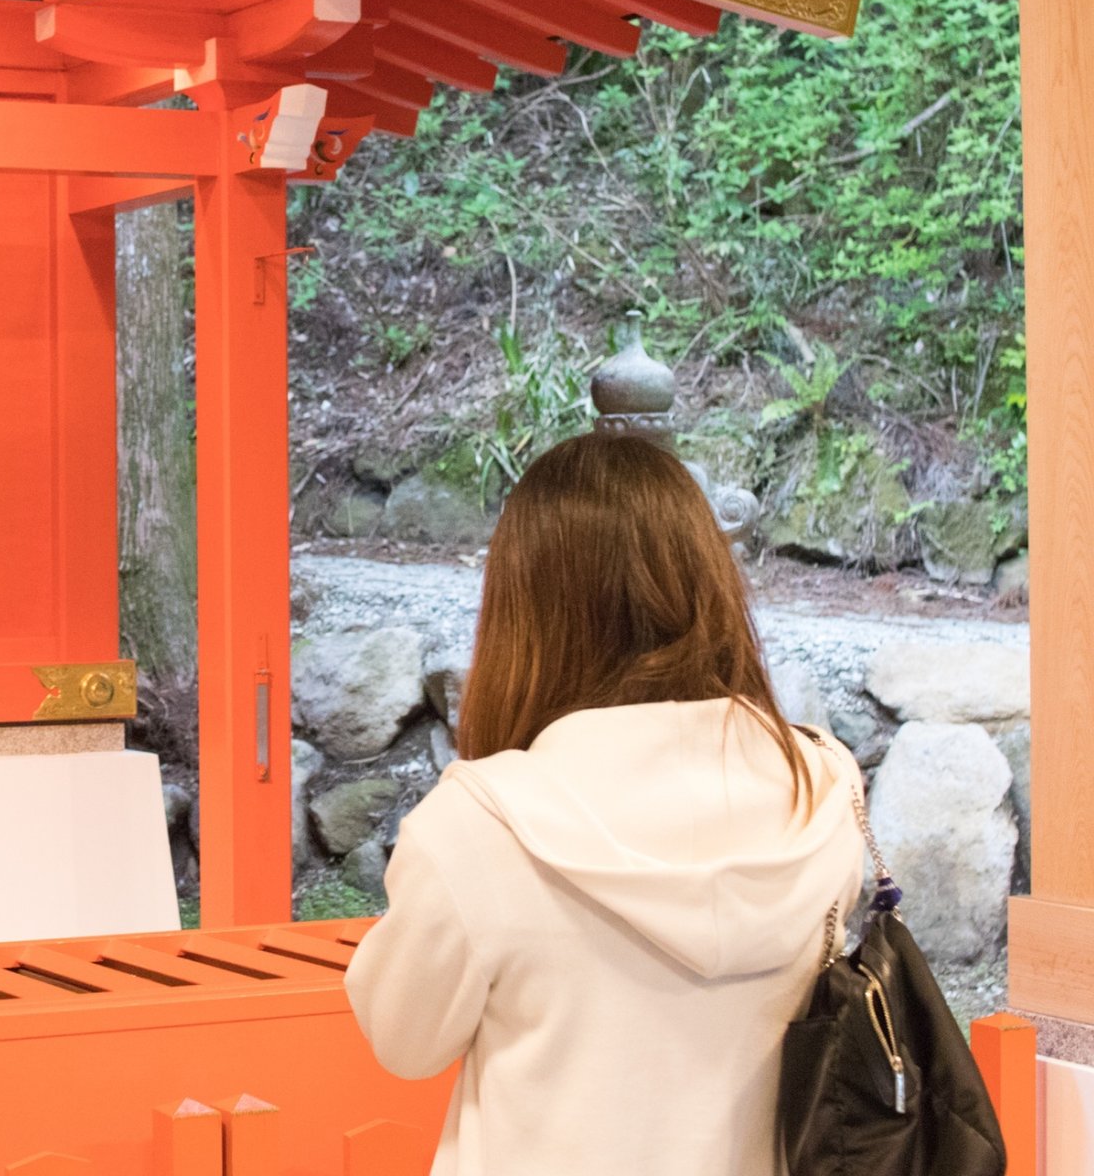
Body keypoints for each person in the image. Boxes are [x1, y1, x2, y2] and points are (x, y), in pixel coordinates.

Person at [344, 432, 865, 1176]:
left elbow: (403, 1039)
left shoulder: (481, 826)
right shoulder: (822, 784)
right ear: (708, 582)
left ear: (523, 615)